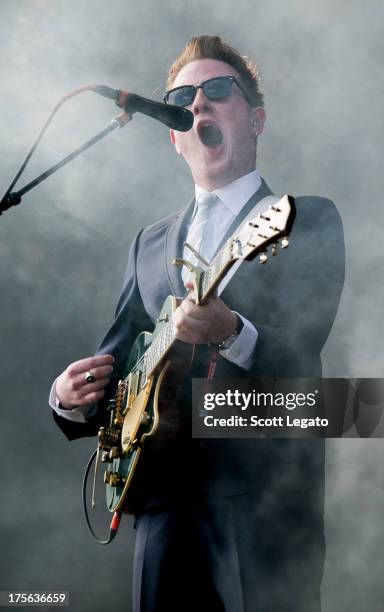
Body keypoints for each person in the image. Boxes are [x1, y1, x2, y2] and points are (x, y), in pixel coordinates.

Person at [50, 35, 345, 612]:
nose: (199, 104)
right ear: (172, 134)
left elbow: (306, 363)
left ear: (255, 119)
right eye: (182, 97)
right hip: (160, 506)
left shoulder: (303, 218)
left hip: (261, 502)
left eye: (216, 91)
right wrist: (67, 398)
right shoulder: (149, 244)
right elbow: (117, 371)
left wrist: (231, 331)